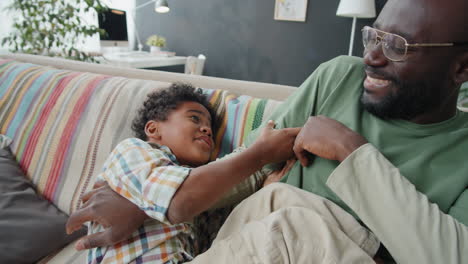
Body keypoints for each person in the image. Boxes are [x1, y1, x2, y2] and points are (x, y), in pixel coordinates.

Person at [67, 0, 468, 262]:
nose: (371, 57)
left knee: (296, 222)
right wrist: (148, 206)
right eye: (373, 35)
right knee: (277, 200)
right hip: (256, 241)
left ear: (462, 68)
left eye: (397, 45)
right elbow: (256, 167)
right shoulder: (338, 79)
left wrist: (353, 151)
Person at [70, 83, 301, 263]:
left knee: (283, 202)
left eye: (209, 126)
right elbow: (178, 201)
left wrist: (264, 188)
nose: (206, 129)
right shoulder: (134, 151)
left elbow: (222, 235)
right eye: (194, 118)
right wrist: (259, 155)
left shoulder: (201, 187)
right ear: (153, 129)